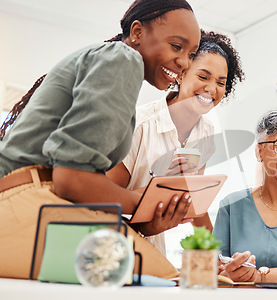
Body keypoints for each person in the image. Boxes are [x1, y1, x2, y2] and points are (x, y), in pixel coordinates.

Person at [0, 0, 200, 280]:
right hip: (24, 203)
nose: (184, 63)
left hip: (28, 201)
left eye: (191, 54)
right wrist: (142, 201)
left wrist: (145, 220)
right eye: (177, 47)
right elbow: (72, 180)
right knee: (172, 279)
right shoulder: (123, 60)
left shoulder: (110, 59)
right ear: (138, 32)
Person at [107, 29, 244, 255]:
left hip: (151, 250)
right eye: (203, 76)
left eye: (221, 82)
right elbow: (105, 201)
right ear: (180, 74)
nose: (212, 89)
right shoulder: (137, 125)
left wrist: (219, 255)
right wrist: (161, 187)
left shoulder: (206, 135)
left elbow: (194, 204)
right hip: (112, 243)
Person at [213, 109, 277, 283]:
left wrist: (258, 276)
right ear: (259, 152)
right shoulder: (231, 206)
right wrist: (228, 274)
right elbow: (213, 273)